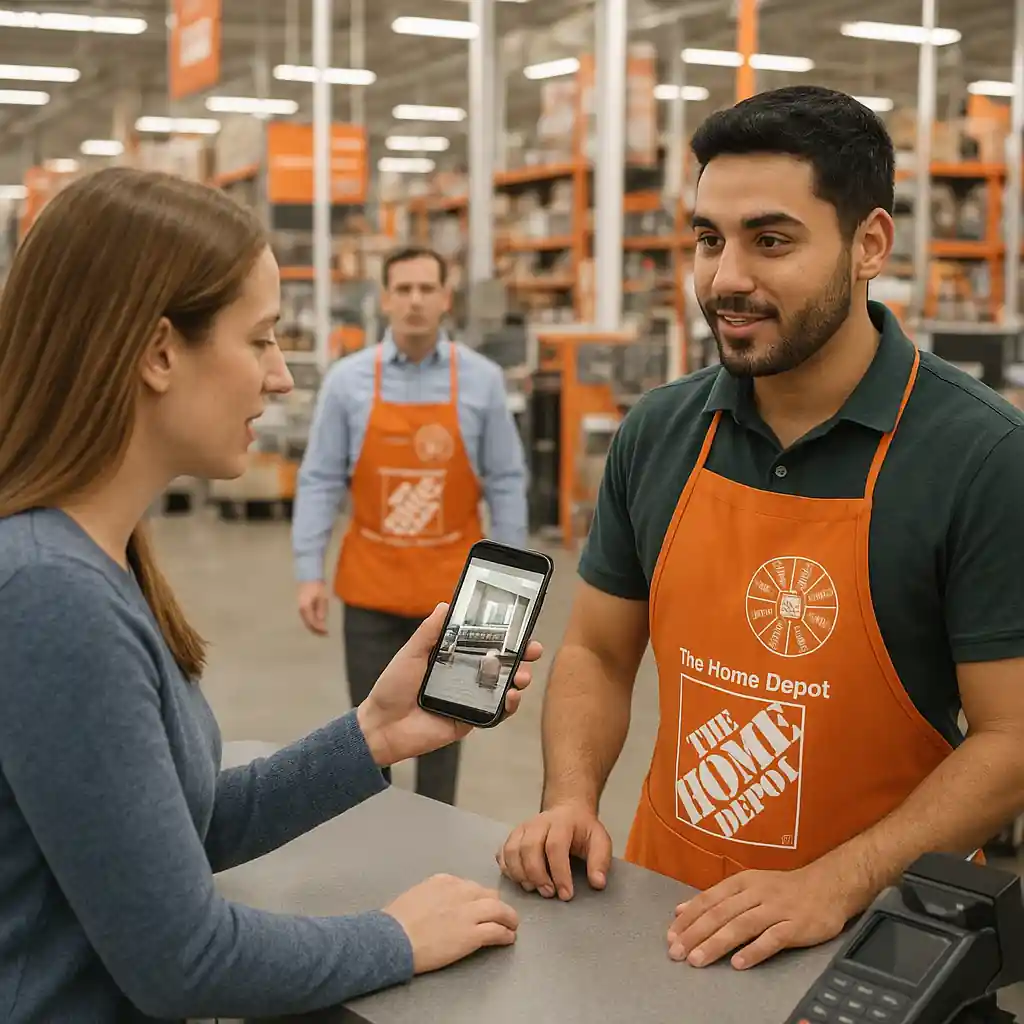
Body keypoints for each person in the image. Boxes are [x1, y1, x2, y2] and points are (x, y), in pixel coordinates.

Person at [498, 85, 1024, 972]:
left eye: (770, 241)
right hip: (664, 918)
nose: (725, 277)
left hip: (879, 941)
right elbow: (595, 651)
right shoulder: (661, 434)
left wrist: (838, 881)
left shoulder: (978, 457)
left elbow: (1011, 741)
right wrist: (570, 796)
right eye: (709, 239)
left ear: (870, 246)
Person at [0, 166, 542, 1022]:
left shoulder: (100, 558)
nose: (283, 377)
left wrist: (372, 734)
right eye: (260, 340)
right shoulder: (50, 595)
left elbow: (190, 829)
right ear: (158, 351)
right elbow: (184, 961)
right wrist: (394, 937)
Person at [292, 245, 529, 805]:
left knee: (446, 731)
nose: (415, 301)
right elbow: (320, 478)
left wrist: (511, 589)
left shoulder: (483, 381)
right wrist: (309, 571)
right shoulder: (347, 382)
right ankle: (379, 850)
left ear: (446, 299)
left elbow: (506, 481)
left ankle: (435, 851)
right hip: (371, 590)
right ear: (385, 299)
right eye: (403, 289)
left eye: (427, 289)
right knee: (368, 737)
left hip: (456, 597)